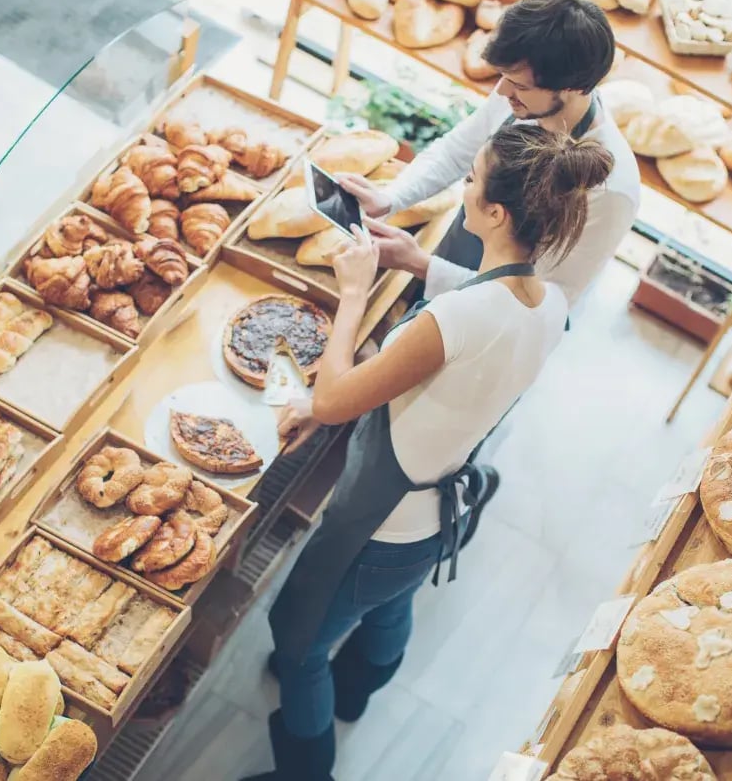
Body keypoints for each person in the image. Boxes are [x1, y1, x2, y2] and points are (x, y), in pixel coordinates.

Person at [244, 124, 615, 781]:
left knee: (298, 645)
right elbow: (476, 334)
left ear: (495, 212)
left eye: (470, 179)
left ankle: (305, 771)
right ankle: (357, 687)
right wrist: (418, 262)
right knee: (388, 603)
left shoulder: (457, 318)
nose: (464, 187)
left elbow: (332, 400)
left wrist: (356, 291)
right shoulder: (551, 305)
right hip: (435, 515)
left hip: (377, 523)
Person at [340, 0, 640, 536]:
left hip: (491, 335)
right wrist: (393, 197)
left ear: (574, 87)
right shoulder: (522, 95)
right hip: (453, 268)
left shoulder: (610, 191)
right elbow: (459, 150)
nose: (502, 94)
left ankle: (404, 534)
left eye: (518, 85)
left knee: (413, 460)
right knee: (384, 403)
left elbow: (544, 304)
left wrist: (423, 266)